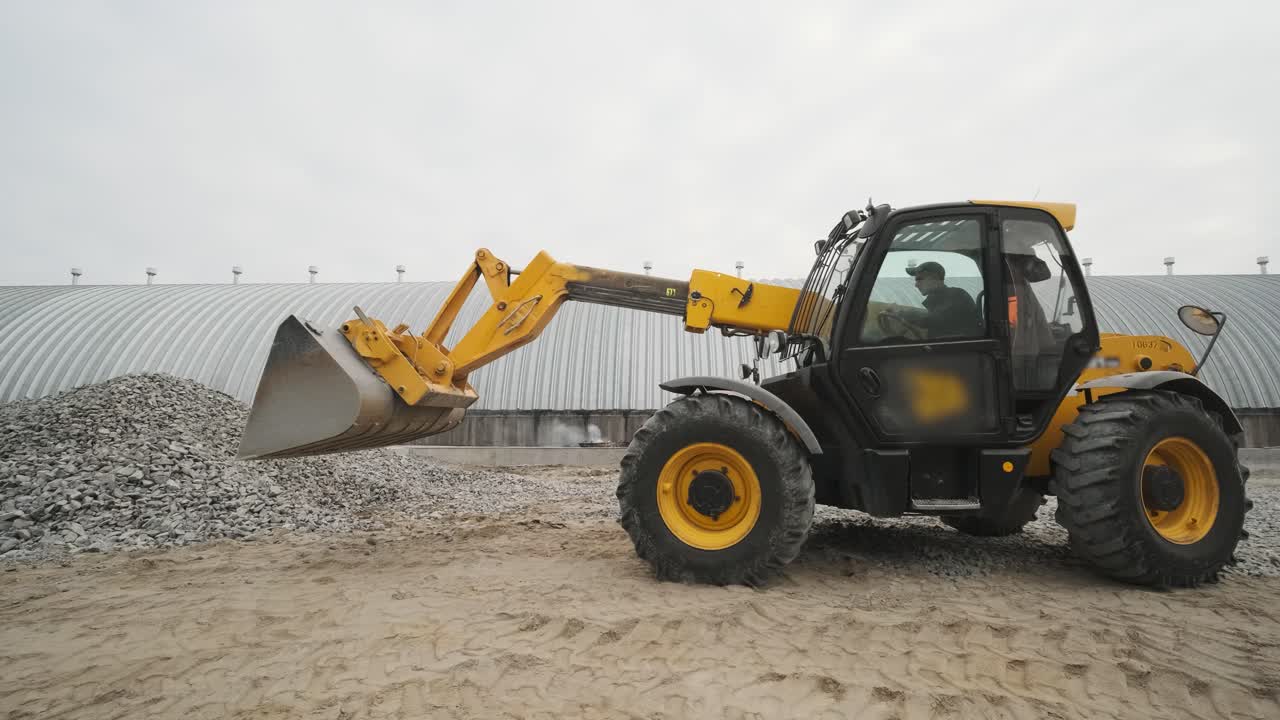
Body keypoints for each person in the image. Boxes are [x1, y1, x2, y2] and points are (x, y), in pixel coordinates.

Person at [886, 260, 981, 339]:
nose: (916, 285)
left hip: (960, 353)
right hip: (944, 349)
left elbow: (932, 319)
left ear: (934, 278)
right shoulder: (938, 299)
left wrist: (901, 312)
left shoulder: (957, 295)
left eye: (919, 279)